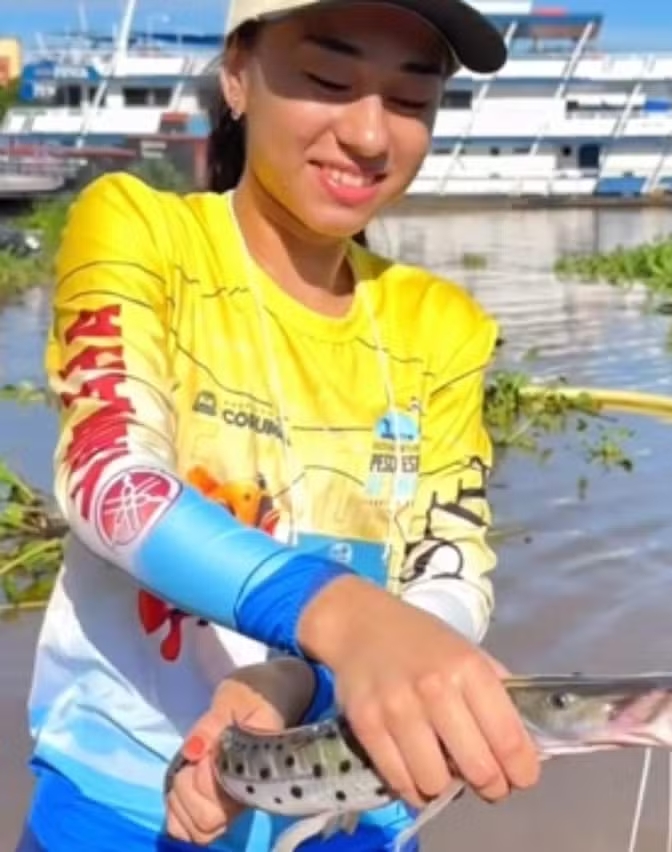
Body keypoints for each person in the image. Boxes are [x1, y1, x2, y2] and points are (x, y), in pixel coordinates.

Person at [16, 1, 542, 850]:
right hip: (124, 804)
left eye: (412, 100)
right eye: (329, 81)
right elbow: (109, 479)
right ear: (237, 74)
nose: (371, 135)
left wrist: (298, 680)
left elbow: (454, 565)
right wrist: (342, 617)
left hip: (355, 802)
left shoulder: (439, 325)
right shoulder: (142, 233)